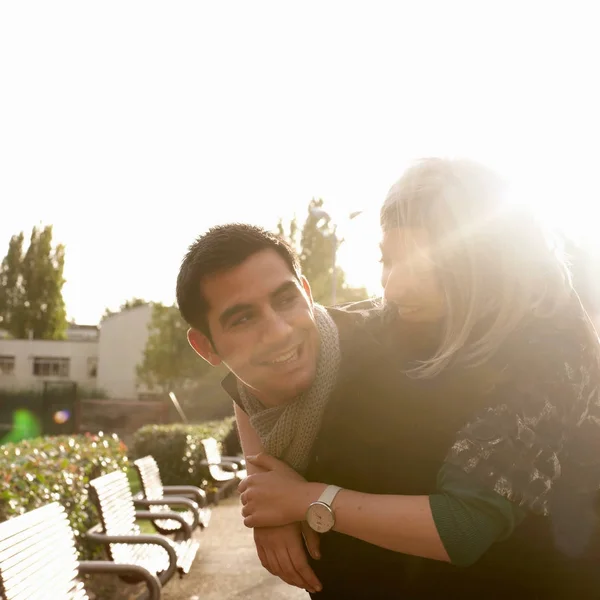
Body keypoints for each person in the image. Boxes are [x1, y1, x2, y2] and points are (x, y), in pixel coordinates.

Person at [233, 159, 600, 598]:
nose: (393, 287)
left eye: (420, 265)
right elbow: (254, 373)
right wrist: (268, 503)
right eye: (387, 260)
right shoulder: (410, 314)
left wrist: (306, 501)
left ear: (482, 264)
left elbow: (464, 526)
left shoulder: (553, 352)